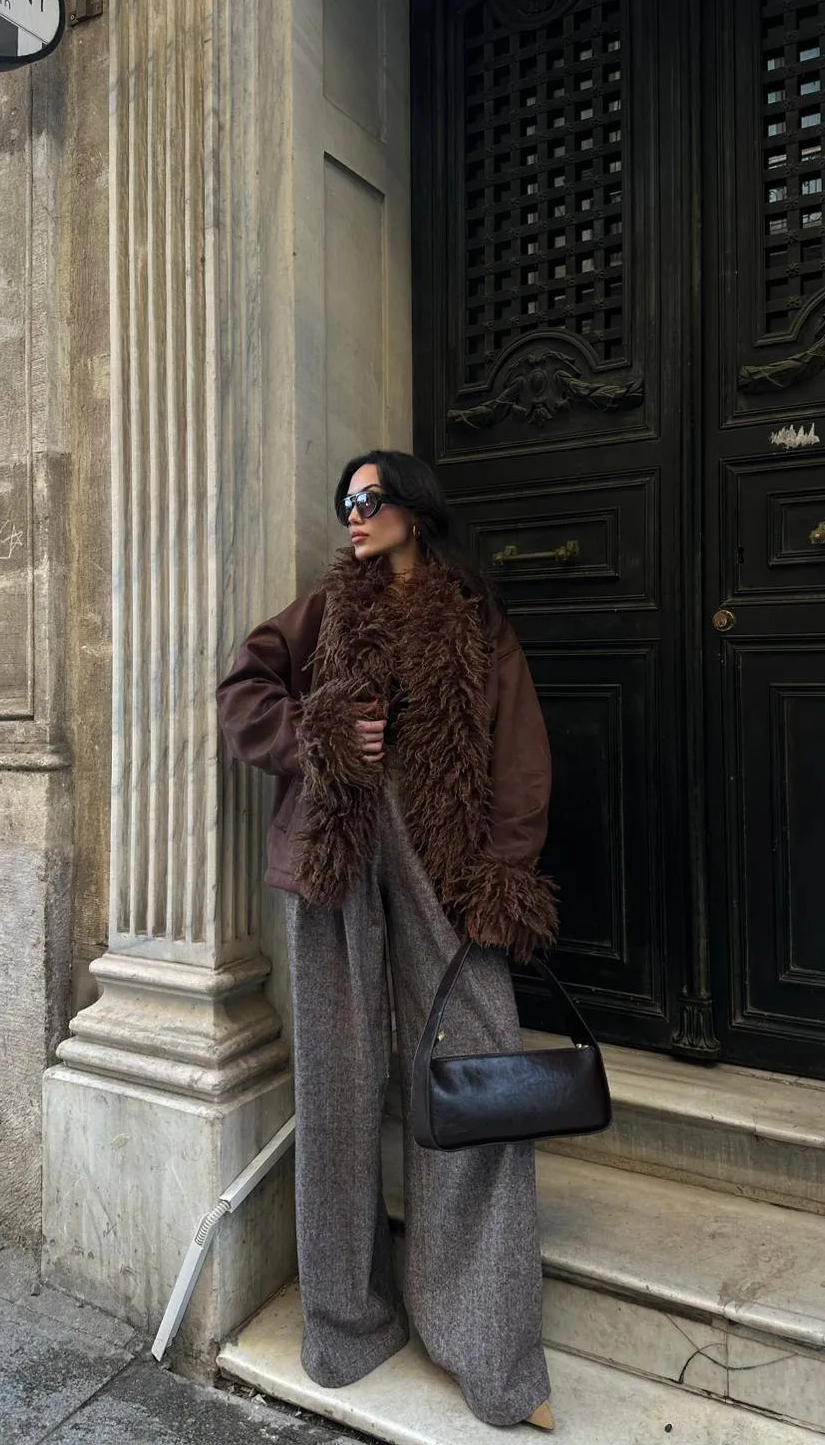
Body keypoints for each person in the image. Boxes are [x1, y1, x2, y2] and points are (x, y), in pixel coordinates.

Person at [215, 449, 559, 1430]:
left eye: (369, 498)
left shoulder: (476, 619)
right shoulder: (326, 608)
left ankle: (491, 1350)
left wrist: (503, 874)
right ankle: (347, 1322)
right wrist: (316, 734)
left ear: (415, 506)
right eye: (345, 501)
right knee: (338, 1085)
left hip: (447, 873)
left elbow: (521, 760)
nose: (353, 514)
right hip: (336, 864)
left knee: (480, 1081)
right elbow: (244, 692)